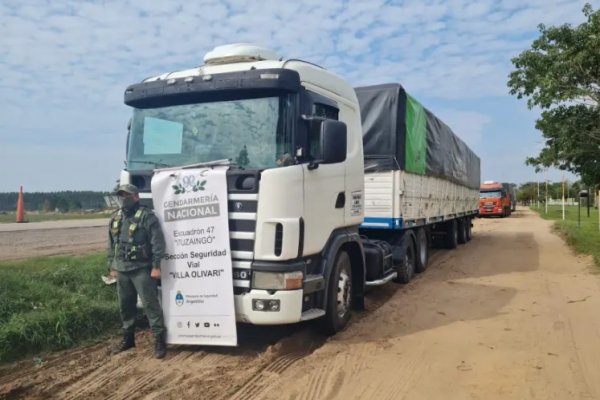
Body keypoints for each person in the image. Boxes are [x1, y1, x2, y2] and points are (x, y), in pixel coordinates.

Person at [107, 184, 167, 359]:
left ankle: (159, 340)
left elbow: (158, 243)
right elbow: (111, 243)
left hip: (141, 269)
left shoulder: (147, 217)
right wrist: (111, 264)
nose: (123, 199)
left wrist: (156, 266)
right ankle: (128, 339)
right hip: (122, 270)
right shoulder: (116, 217)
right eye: (120, 196)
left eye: (126, 195)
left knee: (150, 305)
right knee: (125, 306)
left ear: (136, 197)